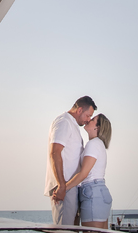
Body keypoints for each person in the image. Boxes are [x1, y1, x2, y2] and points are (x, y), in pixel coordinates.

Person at [46, 96, 97, 226]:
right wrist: (62, 186)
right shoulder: (64, 122)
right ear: (79, 110)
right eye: (88, 115)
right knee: (65, 229)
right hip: (64, 186)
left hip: (70, 186)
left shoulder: (72, 125)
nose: (88, 119)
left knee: (71, 228)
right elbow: (55, 152)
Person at [63, 113, 113, 229]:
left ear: (97, 127)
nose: (88, 120)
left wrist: (63, 188)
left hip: (93, 194)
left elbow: (83, 174)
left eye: (93, 119)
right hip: (99, 193)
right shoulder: (98, 144)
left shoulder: (93, 144)